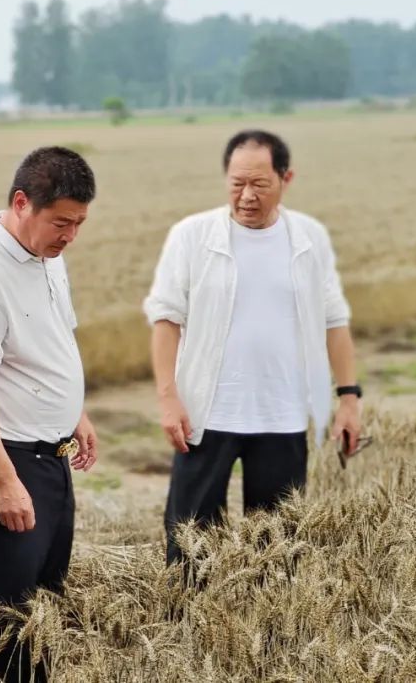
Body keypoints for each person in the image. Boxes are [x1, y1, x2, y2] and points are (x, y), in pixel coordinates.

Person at [143, 130, 363, 565]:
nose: (246, 196)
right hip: (204, 416)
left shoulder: (309, 238)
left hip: (281, 416)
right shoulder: (191, 236)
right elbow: (166, 320)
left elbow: (334, 322)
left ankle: (272, 633)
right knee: (189, 547)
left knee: (279, 551)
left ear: (286, 178)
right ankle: (186, 628)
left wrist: (349, 399)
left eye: (259, 184)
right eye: (236, 183)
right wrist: (168, 398)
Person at [0, 146, 99, 683]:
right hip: (9, 462)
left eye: (78, 223)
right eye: (61, 222)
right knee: (6, 619)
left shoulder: (49, 258)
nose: (70, 235)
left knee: (43, 605)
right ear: (21, 202)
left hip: (52, 459)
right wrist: (5, 482)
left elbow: (51, 342)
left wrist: (77, 413)